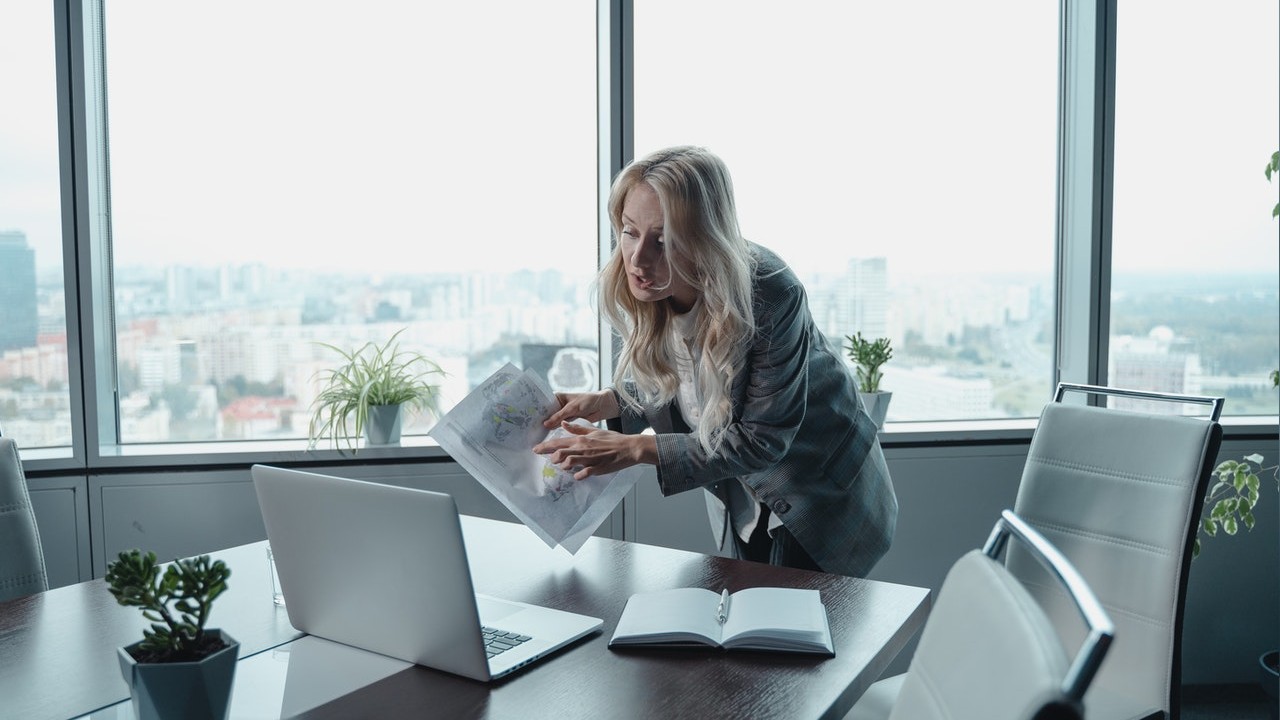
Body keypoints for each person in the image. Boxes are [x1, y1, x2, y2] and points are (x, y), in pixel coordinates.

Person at [532, 145, 897, 577]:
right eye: (630, 232)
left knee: (797, 636)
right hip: (744, 499)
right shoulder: (656, 289)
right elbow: (688, 385)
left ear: (704, 239)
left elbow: (762, 438)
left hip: (819, 499)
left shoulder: (770, 292)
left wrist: (633, 448)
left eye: (664, 241)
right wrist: (610, 402)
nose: (637, 259)